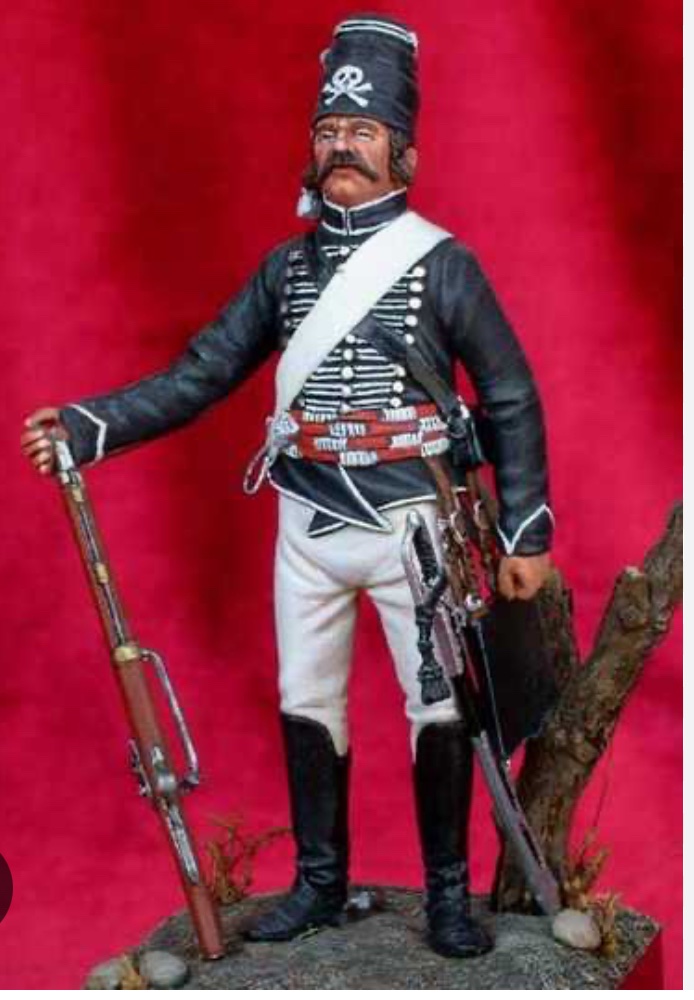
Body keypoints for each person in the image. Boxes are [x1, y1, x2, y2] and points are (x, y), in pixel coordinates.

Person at [21, 15, 553, 959]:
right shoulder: (285, 271)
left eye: (363, 132)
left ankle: (446, 895)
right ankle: (318, 882)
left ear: (403, 152)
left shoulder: (442, 265)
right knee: (307, 699)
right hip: (307, 518)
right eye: (330, 131)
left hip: (412, 525)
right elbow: (201, 374)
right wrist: (91, 424)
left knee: (440, 710)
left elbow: (508, 393)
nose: (343, 146)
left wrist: (526, 532)